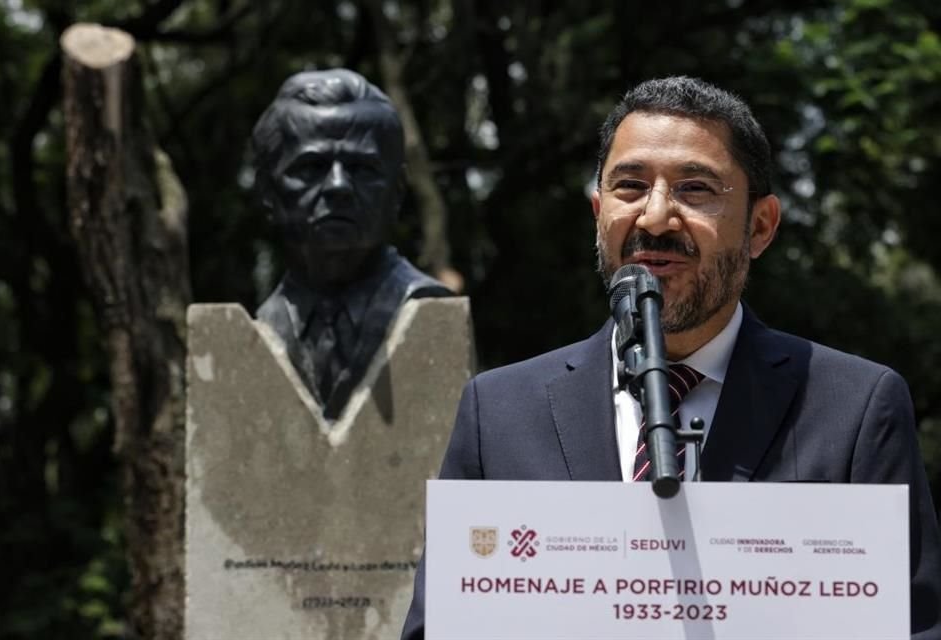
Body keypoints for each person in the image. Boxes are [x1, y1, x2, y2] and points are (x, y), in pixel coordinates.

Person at [401, 76, 941, 638]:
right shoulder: (498, 412)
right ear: (598, 212)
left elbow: (914, 628)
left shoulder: (855, 408)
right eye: (630, 186)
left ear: (760, 226)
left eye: (696, 189)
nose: (655, 218)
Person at [252, 69, 452, 419]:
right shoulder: (261, 329)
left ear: (397, 191)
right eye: (311, 167)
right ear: (268, 192)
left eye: (362, 169)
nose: (338, 186)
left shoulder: (427, 308)